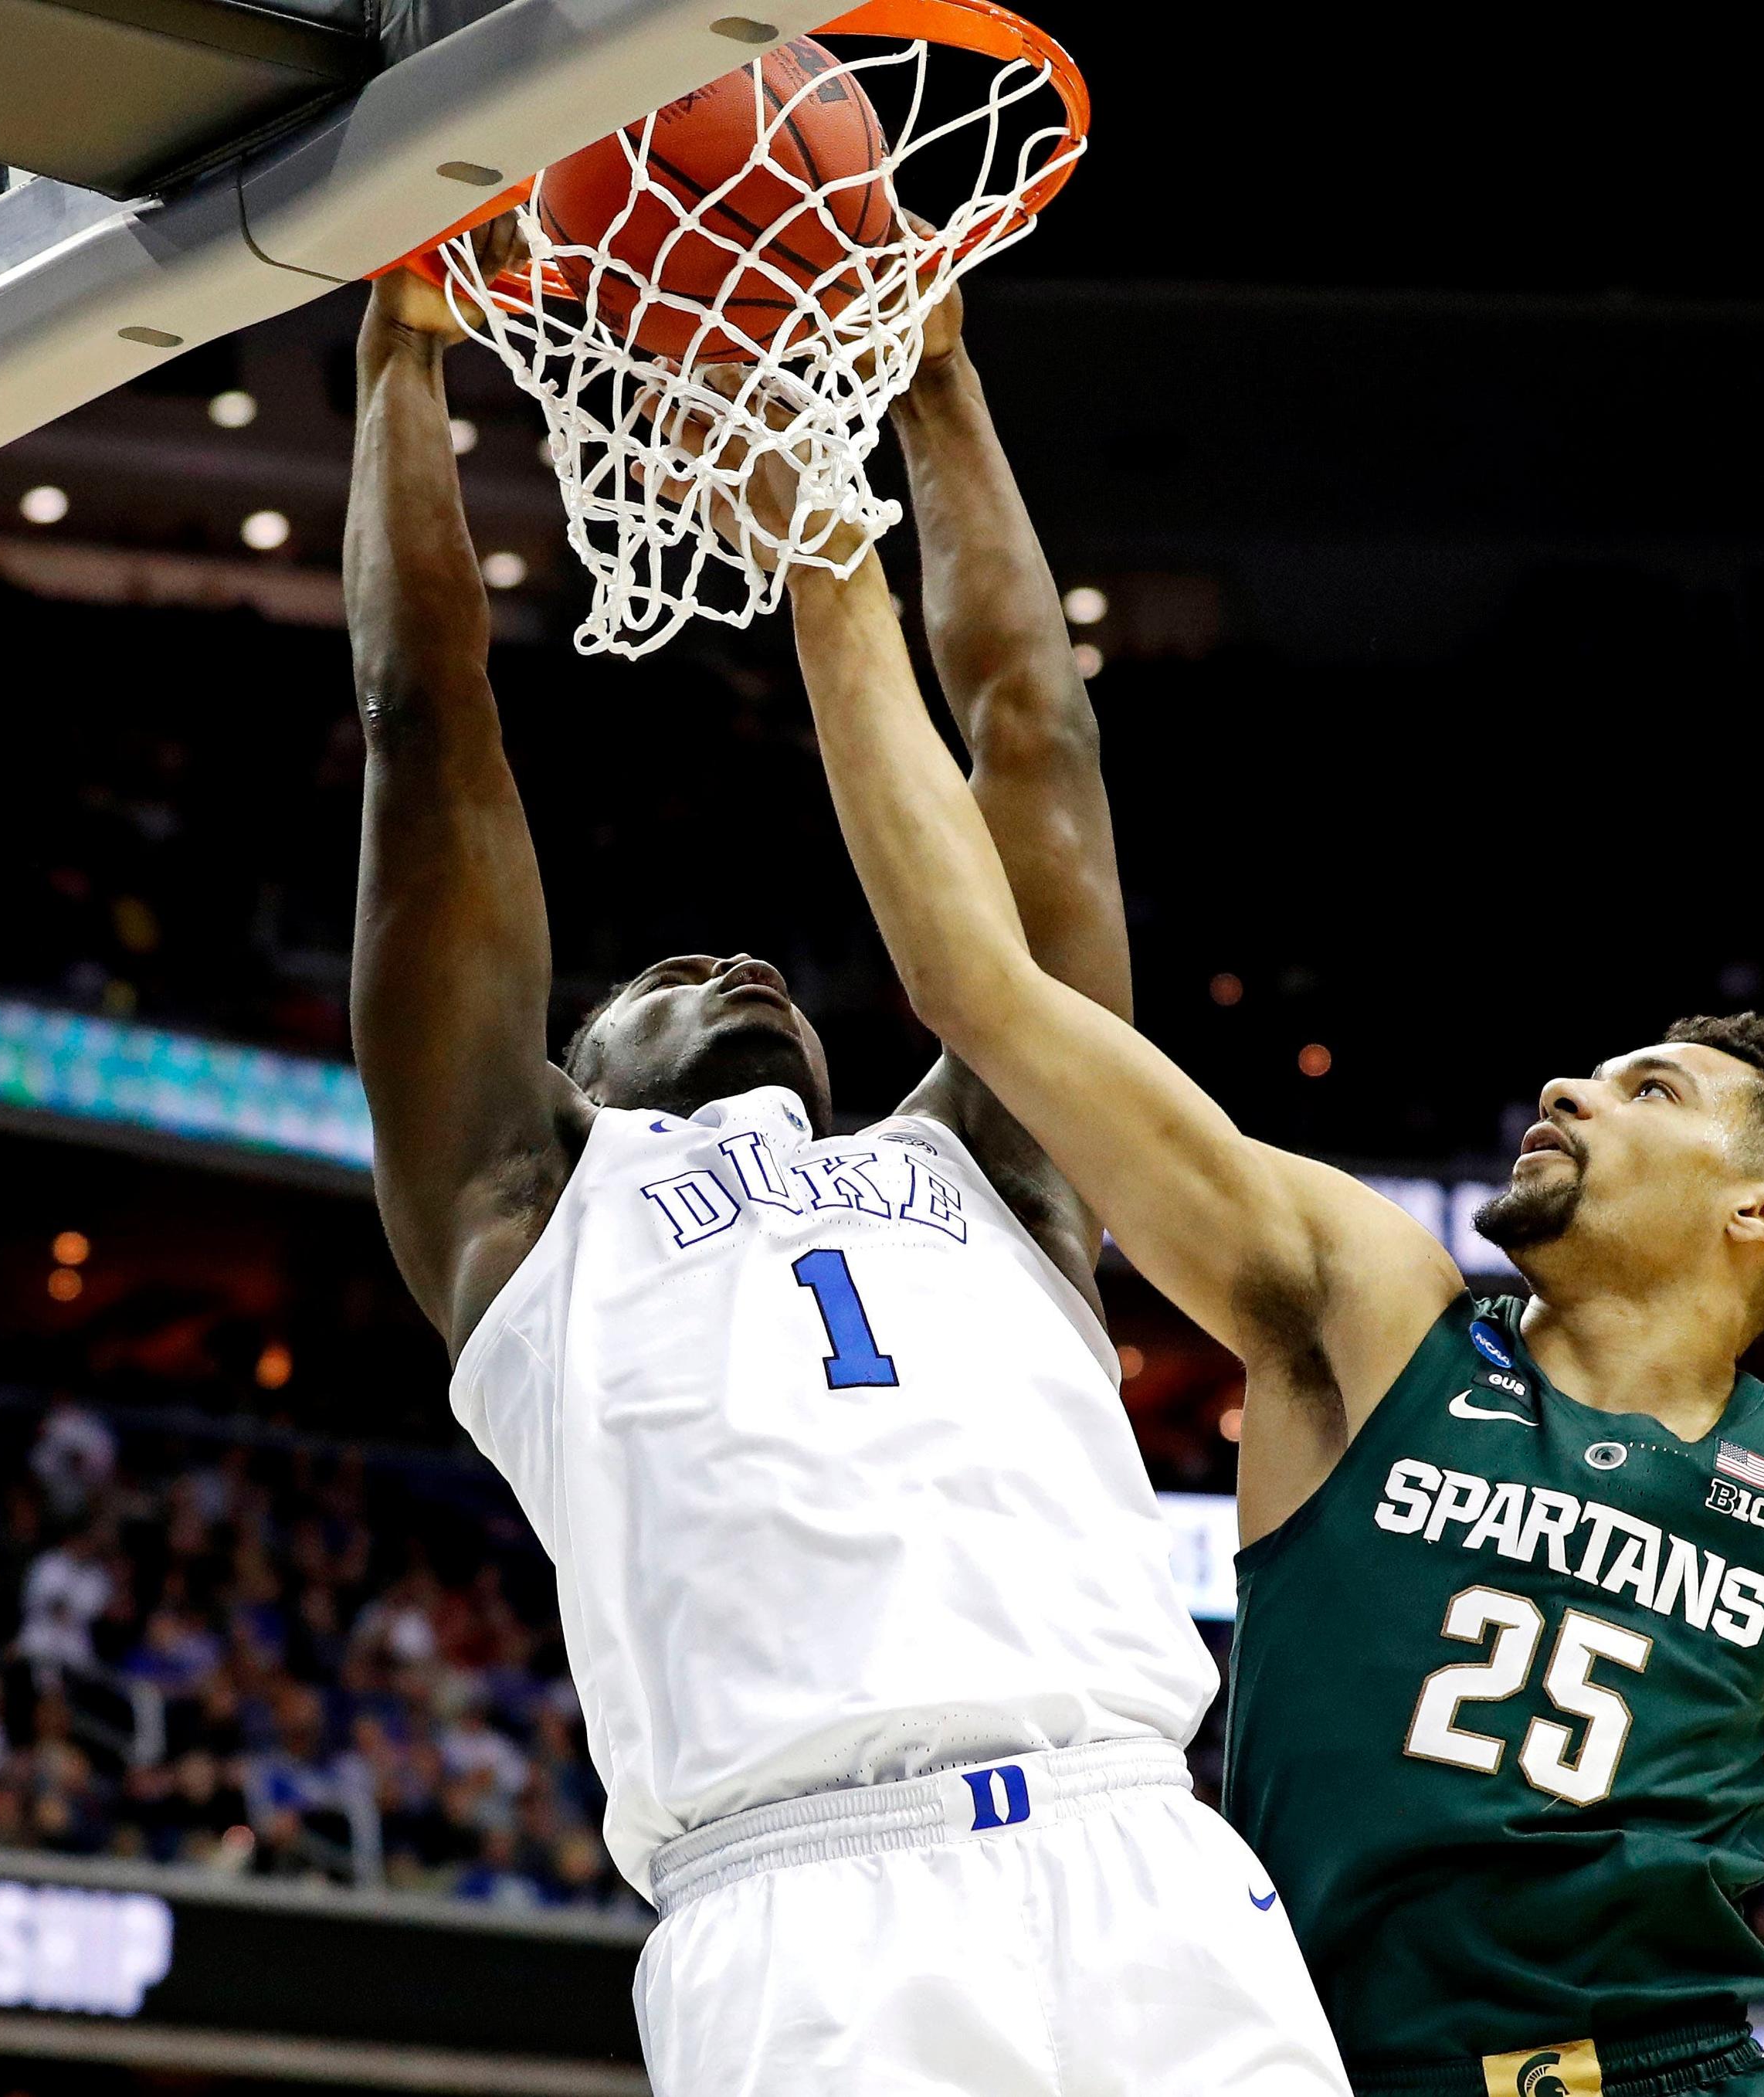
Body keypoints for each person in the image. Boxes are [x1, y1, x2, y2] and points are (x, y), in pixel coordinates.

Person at [779, 505, 1764, 2095]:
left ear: (1760, 1210)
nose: (1569, 1084)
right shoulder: (1368, 1322)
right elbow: (979, 986)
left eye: (1648, 1087)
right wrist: (834, 540)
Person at [341, 248, 1345, 2095]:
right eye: (657, 977)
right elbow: (430, 730)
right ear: (566, 1089)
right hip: (800, 1904)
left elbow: (1037, 736)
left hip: (1142, 1842)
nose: (731, 964)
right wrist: (402, 363)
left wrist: (938, 382)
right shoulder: (528, 1222)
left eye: (752, 964)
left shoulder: (998, 1162)